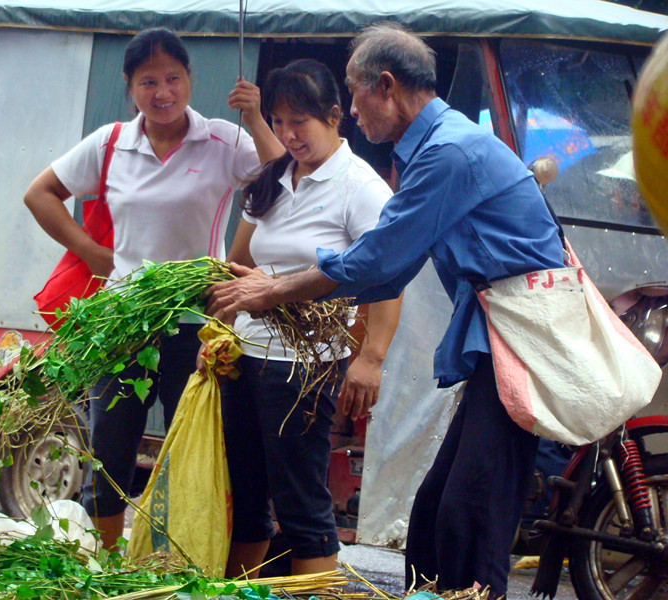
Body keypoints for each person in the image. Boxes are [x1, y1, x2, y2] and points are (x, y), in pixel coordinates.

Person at [207, 23, 565, 598]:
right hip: (493, 341)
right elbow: (392, 266)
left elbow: (378, 262)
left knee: (468, 511)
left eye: (353, 93)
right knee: (431, 516)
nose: (351, 108)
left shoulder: (445, 152)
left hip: (524, 340)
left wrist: (274, 294)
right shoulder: (432, 148)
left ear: (387, 86)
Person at [24, 27, 284, 551]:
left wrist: (254, 116)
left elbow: (283, 176)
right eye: (148, 82)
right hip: (121, 324)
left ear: (190, 80)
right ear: (129, 86)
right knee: (111, 453)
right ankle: (108, 566)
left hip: (197, 324)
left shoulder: (222, 140)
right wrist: (94, 255)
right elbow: (40, 194)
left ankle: (187, 559)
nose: (162, 92)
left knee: (200, 450)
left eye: (172, 79)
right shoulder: (112, 142)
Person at [216, 58, 401, 577]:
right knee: (246, 494)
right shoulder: (273, 176)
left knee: (300, 503)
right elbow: (240, 265)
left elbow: (388, 279)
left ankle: (317, 589)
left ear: (335, 115)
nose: (288, 134)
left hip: (305, 367)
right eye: (278, 121)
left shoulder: (359, 187)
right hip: (244, 359)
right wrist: (221, 333)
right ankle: (240, 589)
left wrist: (370, 359)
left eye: (300, 121)